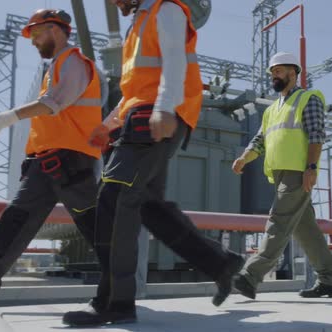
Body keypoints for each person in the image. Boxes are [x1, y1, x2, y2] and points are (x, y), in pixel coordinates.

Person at [62, 0, 244, 326]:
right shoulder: (138, 25)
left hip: (155, 116)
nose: (114, 2)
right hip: (140, 115)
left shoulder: (166, 9)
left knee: (114, 201)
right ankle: (218, 263)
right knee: (147, 206)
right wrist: (108, 125)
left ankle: (113, 301)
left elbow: (174, 60)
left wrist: (164, 107)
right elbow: (135, 89)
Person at [0, 9, 106, 314]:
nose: (32, 41)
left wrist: (9, 116)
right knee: (19, 222)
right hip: (53, 162)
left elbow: (54, 104)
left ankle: (118, 293)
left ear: (54, 30)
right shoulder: (57, 65)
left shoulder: (74, 62)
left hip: (69, 161)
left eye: (35, 34)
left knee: (92, 228)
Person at [231, 52, 332, 300]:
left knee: (278, 222)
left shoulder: (308, 99)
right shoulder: (272, 109)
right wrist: (244, 158)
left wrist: (311, 167)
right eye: (272, 72)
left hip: (298, 172)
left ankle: (250, 276)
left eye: (278, 71)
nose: (274, 76)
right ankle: (329, 279)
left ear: (293, 72)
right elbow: (260, 140)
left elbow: (316, 135)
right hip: (280, 174)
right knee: (306, 229)